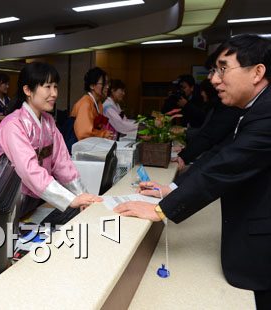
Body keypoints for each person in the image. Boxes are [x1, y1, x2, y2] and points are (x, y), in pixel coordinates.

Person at [114, 34, 271, 309]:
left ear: (257, 72)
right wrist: (173, 188)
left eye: (223, 68)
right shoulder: (254, 109)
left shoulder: (267, 113)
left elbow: (226, 166)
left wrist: (161, 209)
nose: (214, 79)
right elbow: (220, 155)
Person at [0, 62, 101, 218]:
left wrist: (83, 196)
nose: (54, 93)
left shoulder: (49, 123)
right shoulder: (13, 124)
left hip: (34, 195)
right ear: (28, 90)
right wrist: (71, 199)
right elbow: (28, 170)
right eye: (48, 87)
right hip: (5, 198)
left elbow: (63, 163)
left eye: (55, 87)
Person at [173, 77, 244, 171]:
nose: (201, 93)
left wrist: (184, 154)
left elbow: (208, 135)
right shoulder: (214, 105)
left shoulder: (227, 107)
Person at [70, 67, 115, 141]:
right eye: (103, 83)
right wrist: (103, 134)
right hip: (78, 145)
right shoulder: (85, 104)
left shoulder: (99, 103)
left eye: (107, 83)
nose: (107, 86)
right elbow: (83, 134)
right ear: (92, 86)